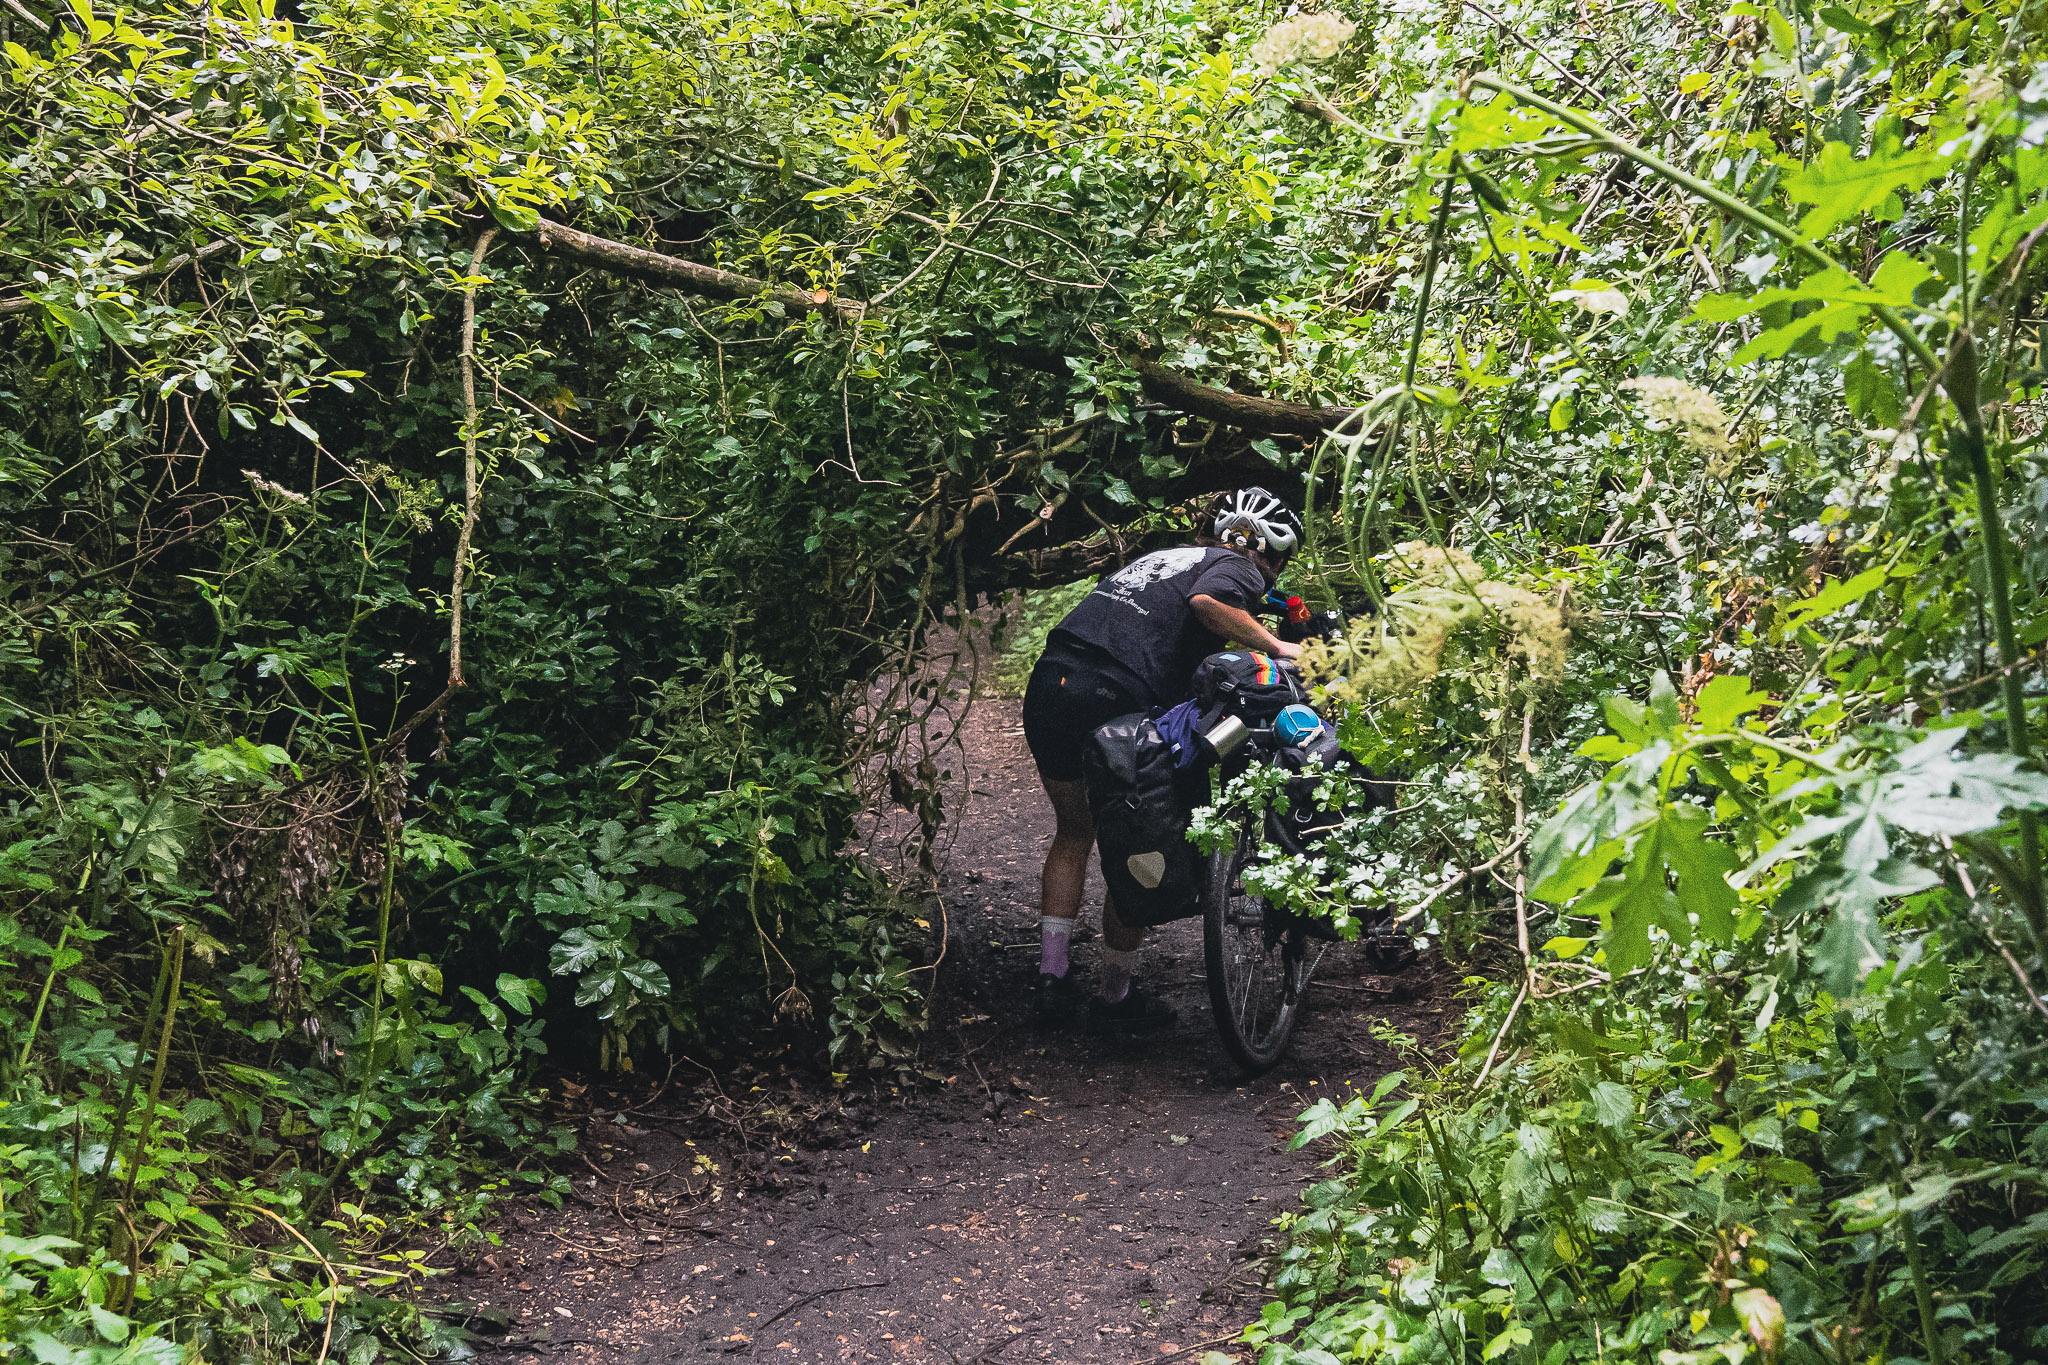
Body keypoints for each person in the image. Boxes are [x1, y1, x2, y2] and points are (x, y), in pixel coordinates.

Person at [1020, 487, 1306, 1030]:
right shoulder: (1234, 566)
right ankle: (1114, 994)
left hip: (1054, 681)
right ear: (1268, 554)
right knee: (1142, 838)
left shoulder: (1166, 557)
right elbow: (1208, 604)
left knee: (1074, 831)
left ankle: (1051, 978)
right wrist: (1281, 647)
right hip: (1116, 695)